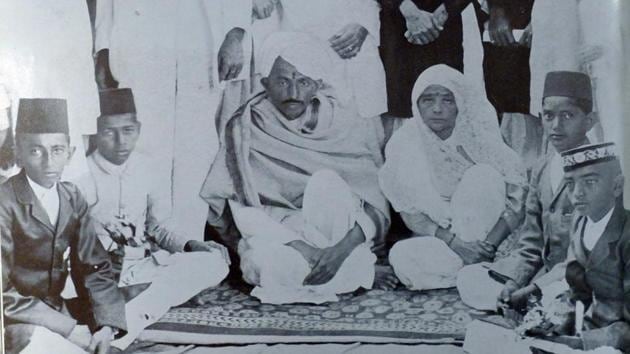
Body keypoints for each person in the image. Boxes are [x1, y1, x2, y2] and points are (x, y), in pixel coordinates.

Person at [200, 32, 391, 304]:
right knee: (262, 262)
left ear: (318, 85)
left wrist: (341, 250)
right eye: (283, 81)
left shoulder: (340, 120)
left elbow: (371, 197)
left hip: (336, 234)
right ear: (265, 83)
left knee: (327, 181)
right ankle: (355, 273)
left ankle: (342, 268)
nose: (293, 93)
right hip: (279, 236)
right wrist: (304, 250)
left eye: (303, 82)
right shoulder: (246, 126)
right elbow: (244, 211)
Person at [73, 88, 230, 350]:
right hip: (98, 274)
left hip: (141, 267)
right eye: (109, 132)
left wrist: (192, 246)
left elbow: (157, 227)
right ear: (94, 133)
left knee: (215, 262)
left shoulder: (148, 168)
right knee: (168, 286)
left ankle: (124, 318)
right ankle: (129, 322)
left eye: (128, 130)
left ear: (139, 129)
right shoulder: (80, 174)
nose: (121, 141)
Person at [93, 0, 253, 239]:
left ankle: (189, 247)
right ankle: (138, 249)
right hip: (141, 35)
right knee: (143, 141)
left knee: (196, 147)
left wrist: (236, 31)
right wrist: (103, 47)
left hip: (198, 37)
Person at [457, 71, 595, 311]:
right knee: (469, 278)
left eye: (567, 116)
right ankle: (533, 306)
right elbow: (531, 242)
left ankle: (540, 306)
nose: (556, 126)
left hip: (585, 273)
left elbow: (588, 255)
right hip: (547, 273)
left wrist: (534, 289)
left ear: (590, 121)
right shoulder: (543, 167)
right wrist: (514, 283)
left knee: (573, 297)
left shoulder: (598, 173)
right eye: (549, 116)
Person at [380, 65, 527, 291]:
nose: (437, 109)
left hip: (490, 238)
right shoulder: (403, 143)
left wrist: (487, 245)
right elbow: (410, 213)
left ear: (460, 103)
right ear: (416, 103)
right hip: (444, 240)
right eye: (428, 100)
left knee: (483, 175)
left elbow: (516, 201)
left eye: (447, 100)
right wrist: (456, 244)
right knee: (401, 255)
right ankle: (476, 271)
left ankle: (476, 265)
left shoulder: (479, 137)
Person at [1, 98, 126, 354]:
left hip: (59, 308)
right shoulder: (5, 201)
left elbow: (95, 267)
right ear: (19, 152)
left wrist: (106, 326)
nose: (49, 162)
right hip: (18, 319)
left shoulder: (72, 196)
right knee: (36, 342)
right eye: (36, 151)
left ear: (70, 153)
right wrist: (66, 328)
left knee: (125, 305)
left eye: (57, 150)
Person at [531, 142, 629, 352]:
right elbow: (577, 290)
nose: (577, 193)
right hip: (590, 328)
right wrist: (557, 326)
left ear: (617, 186)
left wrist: (581, 343)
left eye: (590, 182)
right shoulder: (581, 221)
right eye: (570, 184)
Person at [0, 1, 99, 181]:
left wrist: (88, 128)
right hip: (16, 113)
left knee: (63, 187)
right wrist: (3, 132)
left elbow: (82, 63)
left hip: (64, 114)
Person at [254, 0, 387, 120]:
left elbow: (370, 4)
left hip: (355, 56)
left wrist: (363, 25)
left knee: (362, 133)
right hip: (301, 56)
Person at [377, 0, 484, 123]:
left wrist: (447, 9)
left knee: (447, 95)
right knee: (400, 102)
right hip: (396, 21)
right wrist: (409, 10)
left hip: (453, 20)